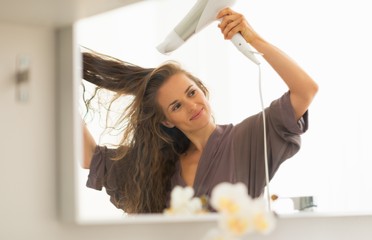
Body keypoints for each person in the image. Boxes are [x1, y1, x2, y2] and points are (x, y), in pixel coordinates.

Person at [81, 7, 318, 214]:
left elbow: (305, 90)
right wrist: (59, 80)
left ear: (202, 90)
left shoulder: (246, 140)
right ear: (167, 121)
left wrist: (253, 39)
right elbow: (90, 157)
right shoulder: (159, 166)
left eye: (192, 92)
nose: (192, 106)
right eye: (176, 106)